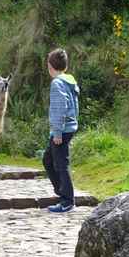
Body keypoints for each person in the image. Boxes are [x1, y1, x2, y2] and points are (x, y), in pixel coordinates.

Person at [43, 48, 79, 213]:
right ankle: (62, 193)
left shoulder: (57, 83)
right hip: (68, 127)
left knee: (60, 164)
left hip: (62, 130)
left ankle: (67, 200)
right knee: (48, 160)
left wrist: (57, 132)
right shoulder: (69, 81)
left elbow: (59, 108)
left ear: (50, 66)